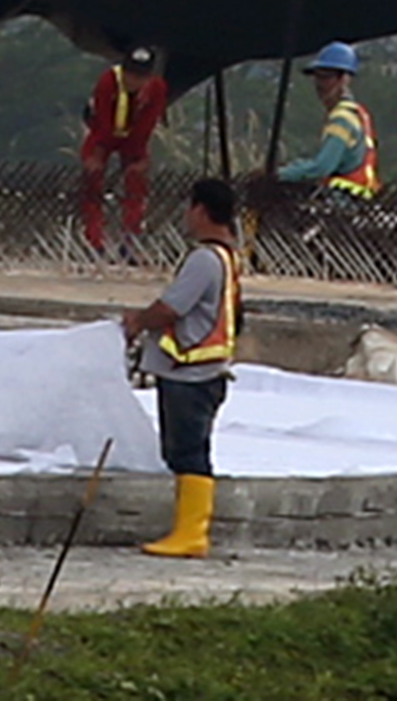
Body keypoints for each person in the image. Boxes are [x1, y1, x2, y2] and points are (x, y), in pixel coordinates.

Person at [118, 174, 244, 557]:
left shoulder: (204, 259)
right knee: (185, 451)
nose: (186, 217)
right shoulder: (228, 257)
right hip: (203, 371)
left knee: (188, 452)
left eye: (190, 208)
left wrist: (138, 322)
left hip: (191, 372)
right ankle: (186, 530)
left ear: (201, 210)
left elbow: (173, 307)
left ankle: (191, 535)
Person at [75, 44, 169, 254]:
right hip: (102, 133)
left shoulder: (157, 89)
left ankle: (131, 240)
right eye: (131, 74)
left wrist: (137, 158)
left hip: (134, 138)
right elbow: (102, 119)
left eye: (140, 77)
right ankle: (94, 240)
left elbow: (148, 122)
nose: (134, 81)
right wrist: (97, 155)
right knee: (93, 180)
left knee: (136, 184)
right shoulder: (108, 82)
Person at [273, 41, 380, 200]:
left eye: (326, 77)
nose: (319, 84)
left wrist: (279, 175)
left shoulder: (342, 118)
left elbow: (322, 167)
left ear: (344, 79)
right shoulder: (358, 114)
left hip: (342, 203)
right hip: (359, 202)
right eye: (317, 77)